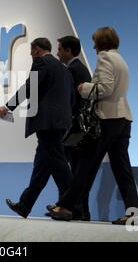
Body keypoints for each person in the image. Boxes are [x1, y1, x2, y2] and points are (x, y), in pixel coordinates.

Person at [51, 27, 138, 225]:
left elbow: (105, 89)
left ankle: (66, 207)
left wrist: (83, 88)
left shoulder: (105, 58)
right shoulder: (121, 60)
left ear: (101, 42)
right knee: (122, 169)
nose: (92, 46)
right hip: (123, 117)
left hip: (108, 119)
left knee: (85, 165)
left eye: (94, 41)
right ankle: (133, 214)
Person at [0, 37, 75, 218]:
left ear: (38, 50)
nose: (31, 55)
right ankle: (24, 205)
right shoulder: (64, 69)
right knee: (41, 166)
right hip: (60, 121)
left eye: (31, 52)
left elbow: (30, 87)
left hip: (47, 122)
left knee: (59, 163)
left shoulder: (41, 62)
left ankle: (73, 205)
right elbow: (71, 99)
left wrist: (8, 106)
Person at [45, 36, 92, 221]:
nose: (57, 53)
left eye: (60, 49)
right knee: (74, 170)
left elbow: (72, 101)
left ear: (69, 51)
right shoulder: (81, 69)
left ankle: (71, 208)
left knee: (70, 170)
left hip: (74, 127)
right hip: (80, 127)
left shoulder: (72, 70)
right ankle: (72, 207)